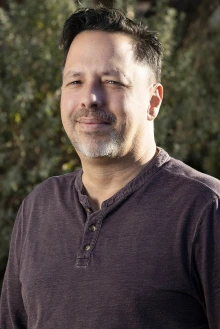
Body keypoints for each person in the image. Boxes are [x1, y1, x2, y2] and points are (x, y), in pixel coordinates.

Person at [0, 6, 220, 329]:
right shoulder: (37, 209)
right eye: (75, 81)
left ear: (153, 101)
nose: (90, 97)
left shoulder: (204, 210)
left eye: (112, 81)